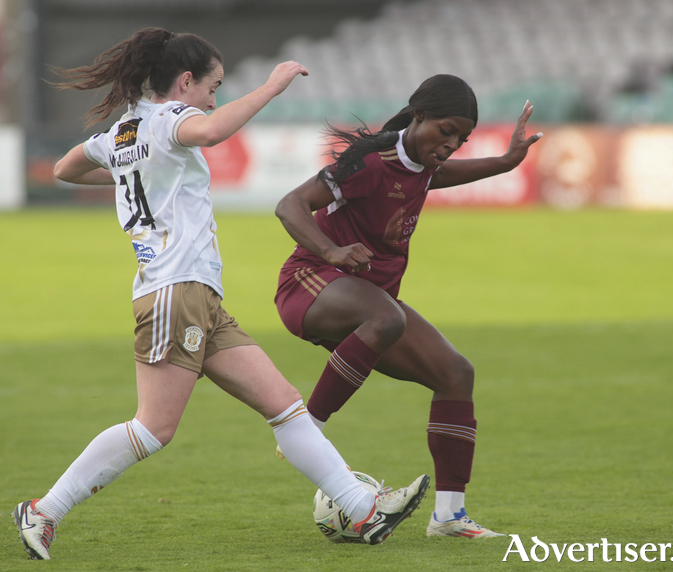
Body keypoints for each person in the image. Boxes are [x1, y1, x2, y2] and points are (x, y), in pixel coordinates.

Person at [12, 28, 430, 561]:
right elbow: (210, 132)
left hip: (197, 297)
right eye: (213, 86)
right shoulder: (170, 119)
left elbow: (67, 168)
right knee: (154, 426)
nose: (215, 97)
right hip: (175, 290)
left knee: (285, 407)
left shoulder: (122, 132)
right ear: (185, 82)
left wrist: (129, 173)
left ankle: (361, 506)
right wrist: (271, 87)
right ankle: (44, 510)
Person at [274, 74, 542, 539]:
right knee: (386, 315)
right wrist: (332, 251)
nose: (453, 144)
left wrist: (504, 162)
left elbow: (440, 174)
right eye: (446, 131)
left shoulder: (422, 166)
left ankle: (450, 517)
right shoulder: (371, 164)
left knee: (456, 374)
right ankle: (307, 428)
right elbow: (290, 204)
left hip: (371, 308)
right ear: (418, 116)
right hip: (311, 285)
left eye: (462, 138)